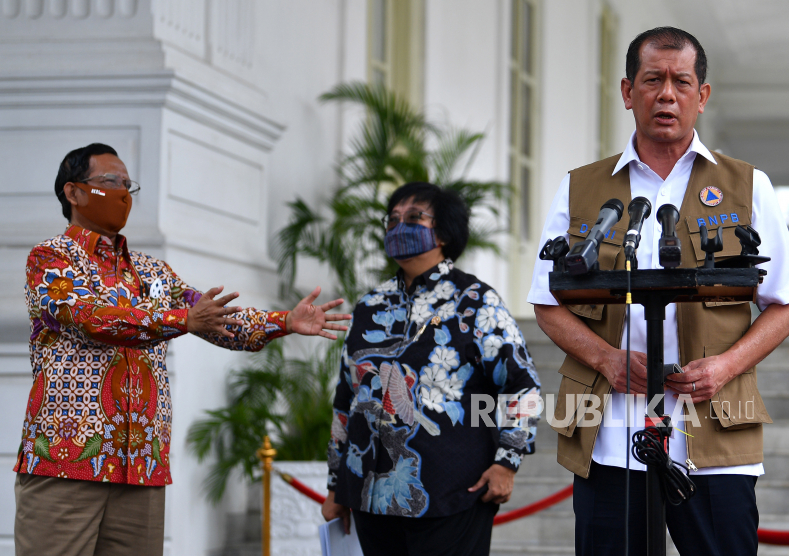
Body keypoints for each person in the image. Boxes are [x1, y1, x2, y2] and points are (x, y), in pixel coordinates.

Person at [527, 27, 789, 555]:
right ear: (628, 92)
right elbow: (547, 301)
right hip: (609, 434)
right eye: (652, 80)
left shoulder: (747, 186)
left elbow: (785, 304)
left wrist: (724, 368)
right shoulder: (580, 188)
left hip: (714, 430)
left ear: (702, 96)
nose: (667, 94)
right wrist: (607, 359)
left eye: (682, 81)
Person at [13, 143, 351, 556]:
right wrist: (180, 321)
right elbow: (89, 318)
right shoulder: (50, 257)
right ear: (74, 193)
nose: (123, 193)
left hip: (141, 465)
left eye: (127, 185)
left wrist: (284, 322)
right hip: (68, 459)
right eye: (110, 182)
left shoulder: (152, 270)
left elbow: (212, 319)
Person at [322, 182, 541, 556]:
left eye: (413, 218)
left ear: (442, 232)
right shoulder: (369, 306)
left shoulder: (475, 302)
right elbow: (346, 399)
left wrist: (507, 463)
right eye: (391, 219)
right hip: (368, 496)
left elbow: (523, 387)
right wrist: (335, 485)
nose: (398, 227)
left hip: (450, 492)